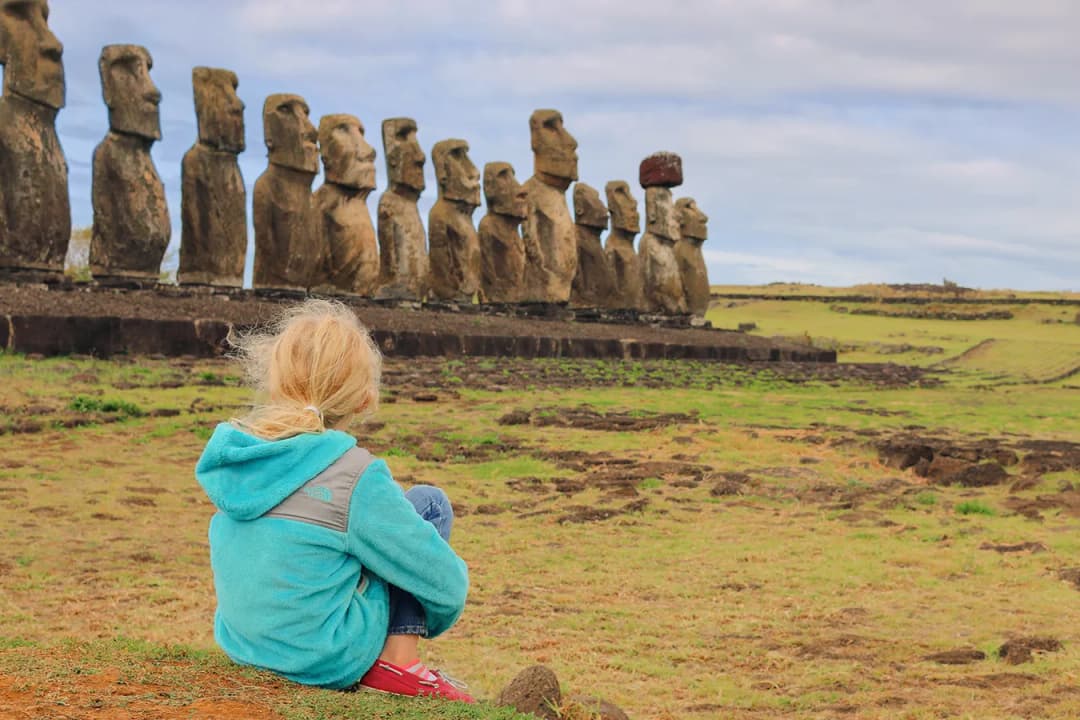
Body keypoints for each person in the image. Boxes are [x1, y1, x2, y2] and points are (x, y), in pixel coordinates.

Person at [195, 298, 473, 702]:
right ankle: (402, 661)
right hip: (327, 657)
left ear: (275, 379)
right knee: (427, 504)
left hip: (245, 648)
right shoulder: (355, 474)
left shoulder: (238, 458)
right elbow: (444, 585)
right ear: (362, 397)